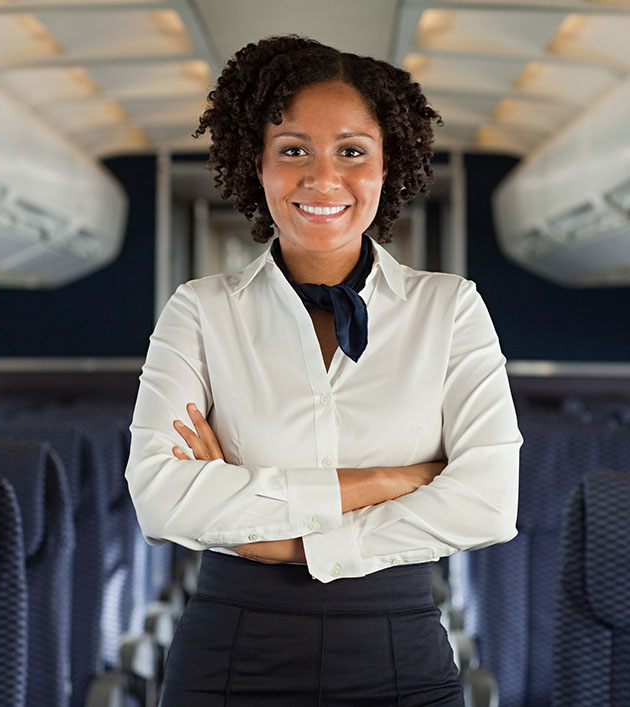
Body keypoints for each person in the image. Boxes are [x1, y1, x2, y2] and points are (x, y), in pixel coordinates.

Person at [125, 34, 523, 706]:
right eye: (293, 150)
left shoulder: (450, 308)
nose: (322, 177)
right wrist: (389, 481)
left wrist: (283, 542)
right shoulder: (199, 312)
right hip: (230, 650)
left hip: (400, 650)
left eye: (351, 151)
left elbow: (487, 503)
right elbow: (162, 498)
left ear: (386, 163)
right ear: (257, 163)